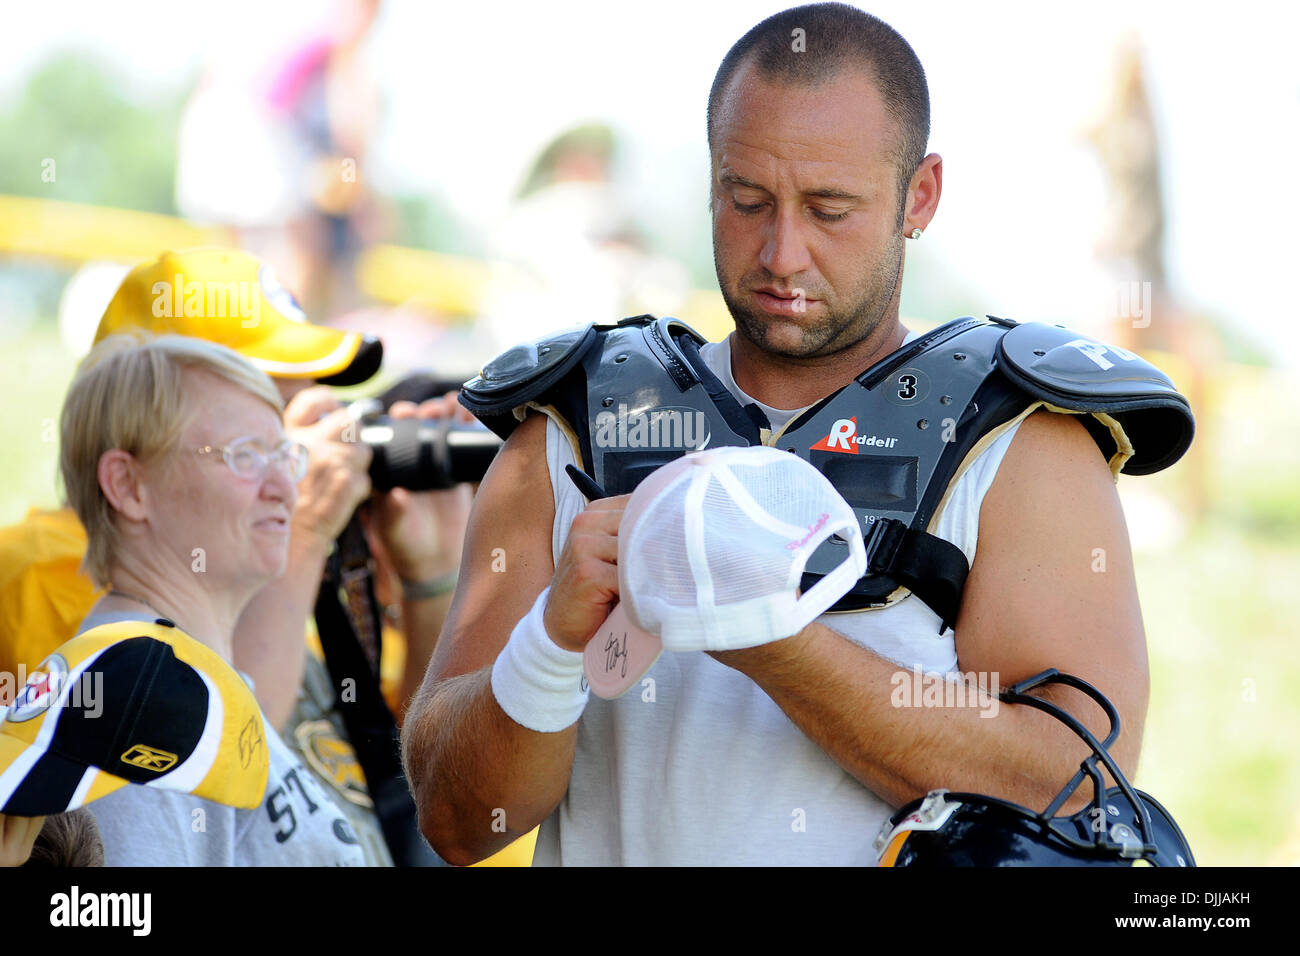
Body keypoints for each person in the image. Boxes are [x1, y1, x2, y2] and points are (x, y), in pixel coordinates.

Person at [402, 3, 1169, 865]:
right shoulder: (574, 427)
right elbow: (460, 824)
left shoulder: (1017, 442)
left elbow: (1075, 795)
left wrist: (771, 641)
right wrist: (551, 641)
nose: (781, 254)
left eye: (829, 208)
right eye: (748, 198)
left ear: (920, 195)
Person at [1, 247, 474, 866]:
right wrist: (305, 527)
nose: (293, 470)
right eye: (249, 444)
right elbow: (202, 768)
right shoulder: (64, 589)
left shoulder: (254, 605)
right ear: (130, 477)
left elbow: (417, 802)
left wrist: (430, 579)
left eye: (292, 438)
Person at [59, 333, 366, 864]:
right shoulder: (138, 699)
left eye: (284, 456)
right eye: (244, 456)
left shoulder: (177, 678)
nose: (285, 489)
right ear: (129, 487)